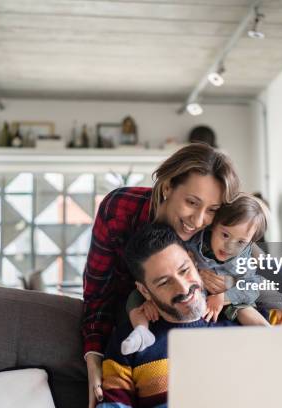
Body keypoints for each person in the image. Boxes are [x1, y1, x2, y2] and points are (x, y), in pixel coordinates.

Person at [97, 223, 282, 408]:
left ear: (196, 264)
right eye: (164, 282)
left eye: (185, 270)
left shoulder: (246, 319)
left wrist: (268, 266)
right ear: (144, 290)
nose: (184, 289)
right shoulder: (131, 342)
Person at [82, 143, 241, 407]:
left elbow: (261, 269)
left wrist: (229, 286)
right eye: (191, 202)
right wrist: (94, 356)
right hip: (133, 324)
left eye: (212, 209)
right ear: (167, 187)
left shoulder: (218, 230)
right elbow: (98, 293)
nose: (199, 220)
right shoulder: (120, 209)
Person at [120, 194, 272, 355]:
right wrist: (151, 300)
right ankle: (141, 331)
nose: (229, 246)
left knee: (244, 309)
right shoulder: (194, 240)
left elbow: (253, 286)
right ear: (214, 225)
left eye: (241, 242)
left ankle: (270, 336)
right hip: (196, 292)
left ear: (250, 243)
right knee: (135, 298)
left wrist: (224, 296)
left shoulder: (244, 258)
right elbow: (172, 262)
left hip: (228, 299)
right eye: (225, 235)